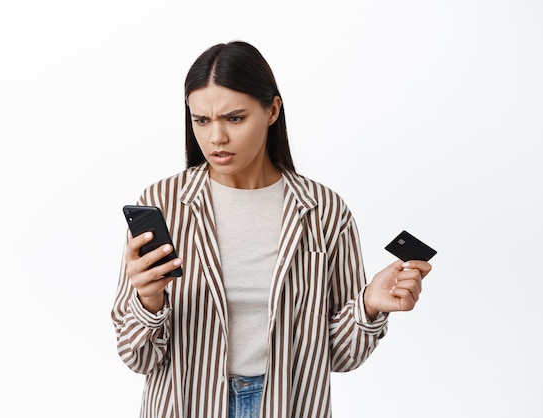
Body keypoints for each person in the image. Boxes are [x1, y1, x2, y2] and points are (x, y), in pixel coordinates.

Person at [111, 41, 432, 418]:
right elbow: (137, 356)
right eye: (201, 120)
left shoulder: (324, 210)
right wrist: (149, 301)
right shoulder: (164, 203)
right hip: (187, 405)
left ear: (272, 111)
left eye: (234, 118)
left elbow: (341, 356)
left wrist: (369, 305)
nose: (216, 138)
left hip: (289, 405)